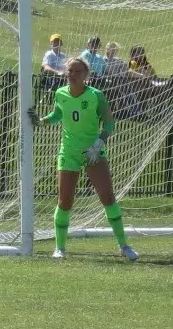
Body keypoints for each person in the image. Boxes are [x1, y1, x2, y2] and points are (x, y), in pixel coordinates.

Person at [27, 57, 139, 261]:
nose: (73, 75)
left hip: (93, 152)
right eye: (70, 71)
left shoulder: (96, 95)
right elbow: (57, 114)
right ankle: (60, 248)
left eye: (78, 71)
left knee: (107, 197)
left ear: (86, 75)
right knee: (65, 201)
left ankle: (124, 245)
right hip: (69, 152)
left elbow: (109, 124)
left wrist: (98, 144)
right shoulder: (60, 94)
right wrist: (41, 121)